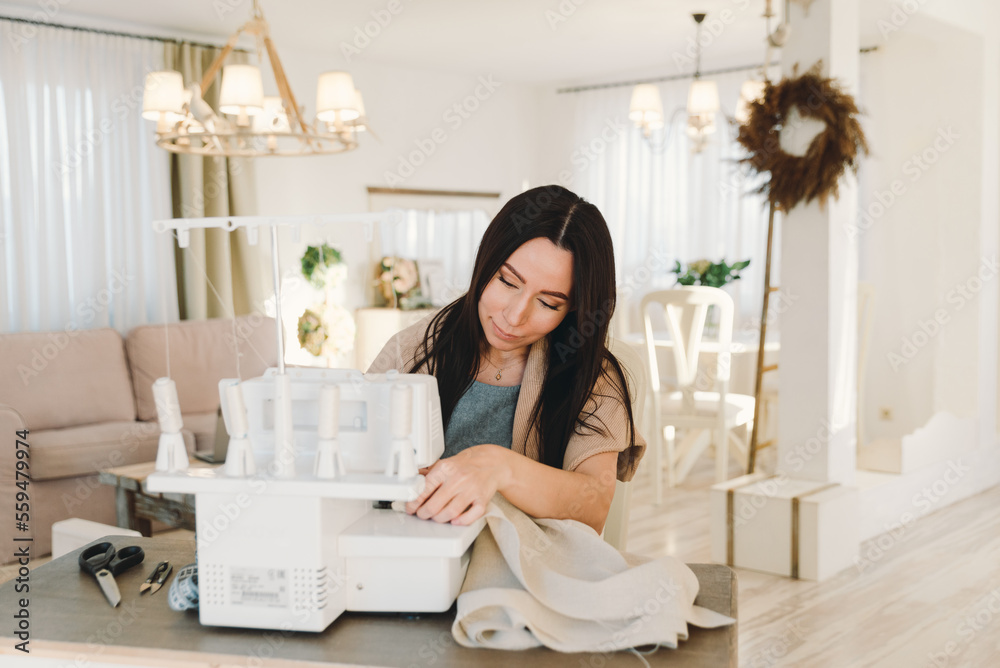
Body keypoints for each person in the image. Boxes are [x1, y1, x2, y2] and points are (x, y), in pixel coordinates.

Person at [367, 185, 645, 534]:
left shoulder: (592, 377)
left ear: (574, 307)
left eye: (548, 303)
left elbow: (593, 504)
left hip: (528, 560)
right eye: (507, 281)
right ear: (485, 261)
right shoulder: (411, 351)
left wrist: (499, 467)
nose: (514, 316)